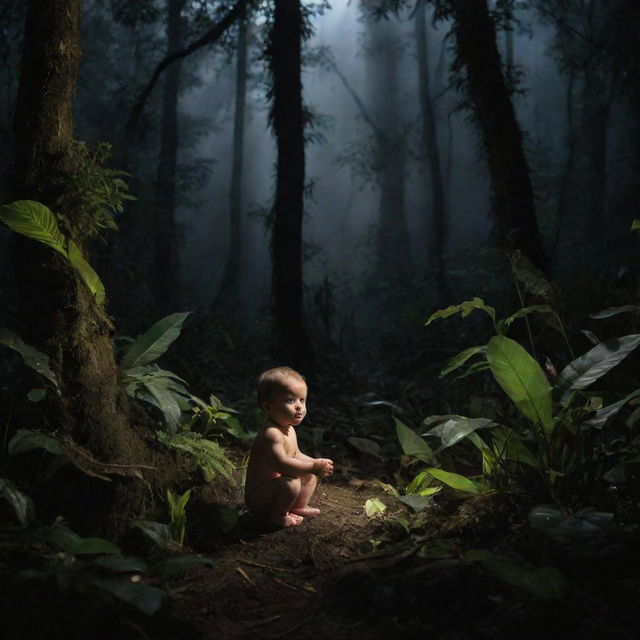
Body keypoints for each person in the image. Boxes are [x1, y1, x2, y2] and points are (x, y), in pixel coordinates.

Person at [244, 366, 334, 527]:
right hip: (260, 497)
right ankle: (275, 516)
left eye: (302, 400)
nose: (299, 406)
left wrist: (315, 463)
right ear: (268, 407)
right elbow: (282, 464)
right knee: (291, 483)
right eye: (290, 400)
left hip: (276, 489)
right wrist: (312, 466)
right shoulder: (271, 434)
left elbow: (296, 455)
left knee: (309, 476)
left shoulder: (289, 429)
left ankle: (298, 506)